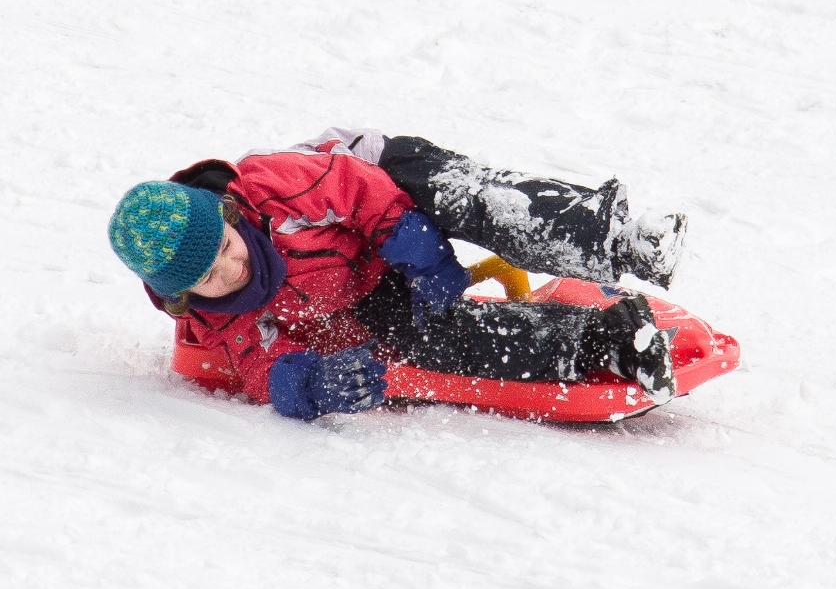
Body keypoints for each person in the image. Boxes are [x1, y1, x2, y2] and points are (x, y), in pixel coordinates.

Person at [108, 128, 686, 420]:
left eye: (227, 247)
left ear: (230, 215)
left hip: (378, 177)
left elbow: (362, 191)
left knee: (465, 200)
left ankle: (617, 238)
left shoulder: (275, 187)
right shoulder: (218, 315)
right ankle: (611, 340)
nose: (232, 269)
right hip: (363, 281)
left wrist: (425, 256)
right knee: (427, 340)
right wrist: (309, 385)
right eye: (208, 278)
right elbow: (260, 365)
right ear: (184, 296)